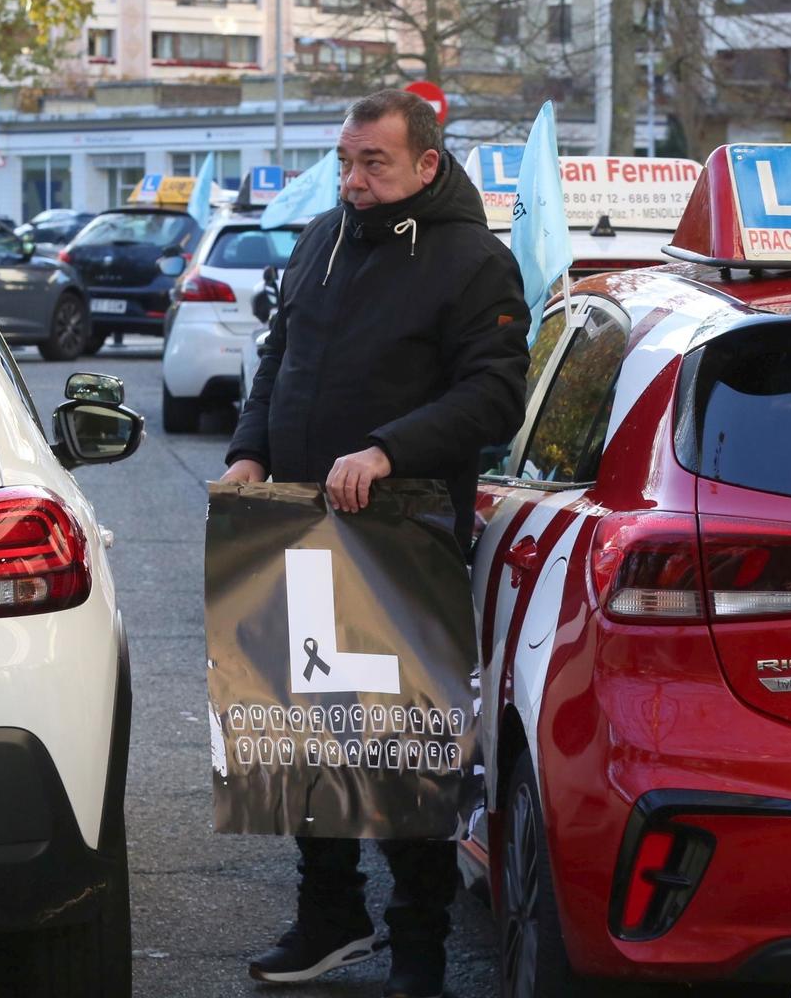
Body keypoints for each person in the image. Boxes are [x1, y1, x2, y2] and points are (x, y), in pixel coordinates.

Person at [224, 89, 529, 998]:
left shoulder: (474, 260)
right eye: (347, 162)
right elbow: (280, 354)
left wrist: (389, 449)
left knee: (404, 755)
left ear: (426, 165)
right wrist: (248, 449)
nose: (354, 181)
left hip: (402, 532)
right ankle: (330, 918)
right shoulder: (320, 237)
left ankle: (421, 945)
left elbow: (494, 394)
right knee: (301, 741)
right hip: (293, 521)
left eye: (375, 164)